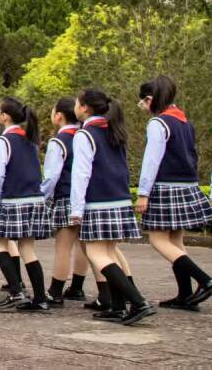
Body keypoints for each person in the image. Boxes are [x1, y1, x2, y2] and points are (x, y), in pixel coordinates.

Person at [70, 88, 156, 325]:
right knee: (108, 252)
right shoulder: (113, 129)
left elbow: (81, 174)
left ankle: (138, 302)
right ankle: (118, 307)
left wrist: (76, 209)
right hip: (119, 198)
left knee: (96, 253)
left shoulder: (85, 134)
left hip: (98, 201)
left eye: (77, 103)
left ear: (84, 107)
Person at [134, 75, 212, 310]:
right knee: (175, 240)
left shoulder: (158, 123)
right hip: (187, 184)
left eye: (142, 103)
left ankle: (205, 280)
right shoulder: (184, 121)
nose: (143, 108)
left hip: (165, 186)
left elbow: (151, 160)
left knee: (157, 239)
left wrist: (143, 193)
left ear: (149, 99)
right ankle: (185, 295)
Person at [0, 97, 52, 312]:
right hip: (34, 198)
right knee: (27, 248)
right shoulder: (30, 139)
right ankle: (40, 298)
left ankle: (16, 291)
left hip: (13, 198)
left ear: (4, 116)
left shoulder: (3, 141)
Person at [40, 97, 89, 306]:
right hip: (86, 197)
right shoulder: (85, 135)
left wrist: (42, 196)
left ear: (58, 115)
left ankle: (55, 291)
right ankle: (77, 287)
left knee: (63, 246)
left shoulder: (59, 141)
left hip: (66, 196)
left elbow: (51, 176)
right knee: (85, 245)